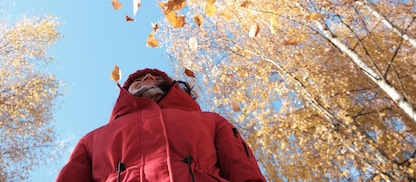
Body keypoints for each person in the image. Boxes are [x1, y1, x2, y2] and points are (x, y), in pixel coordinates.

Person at [54, 68, 267, 182]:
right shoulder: (92, 139)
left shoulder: (212, 121)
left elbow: (243, 170)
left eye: (156, 78)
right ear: (125, 94)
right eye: (137, 80)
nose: (148, 77)